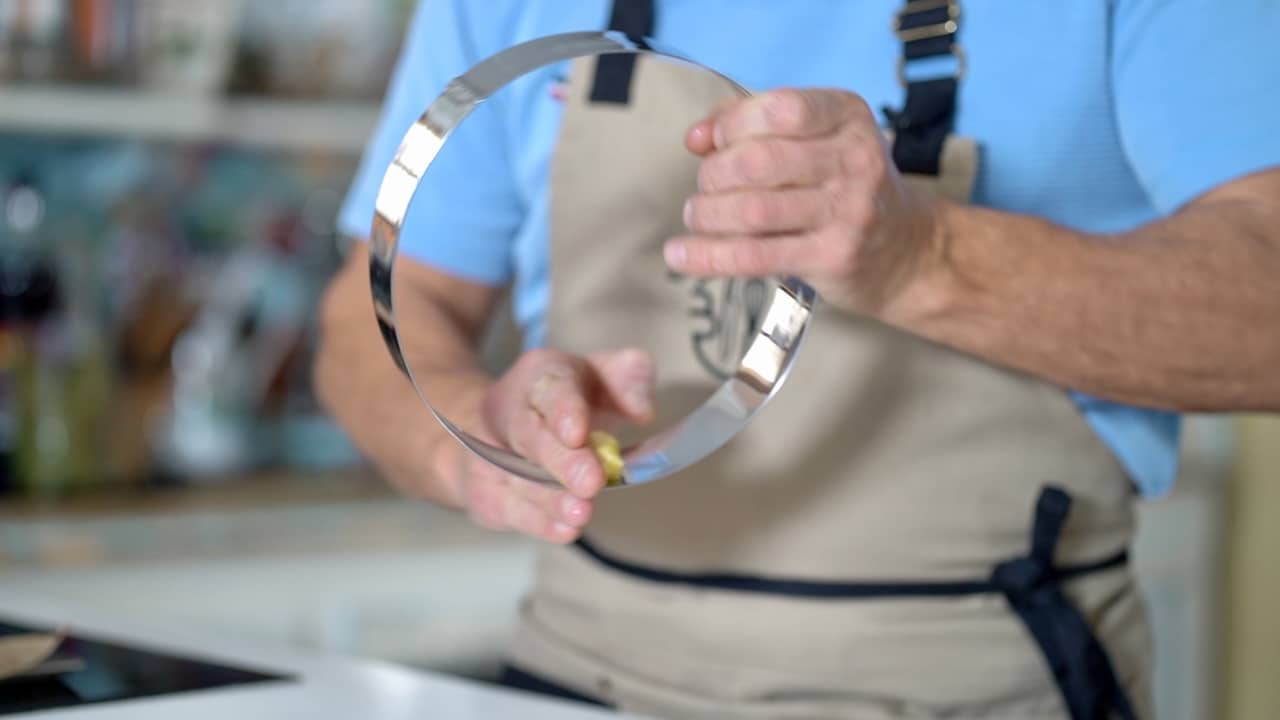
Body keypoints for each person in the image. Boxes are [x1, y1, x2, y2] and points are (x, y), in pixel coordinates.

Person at [316, 1, 1280, 717]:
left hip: (979, 687)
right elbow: (376, 317)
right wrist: (468, 436)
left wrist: (926, 257)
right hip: (581, 677)